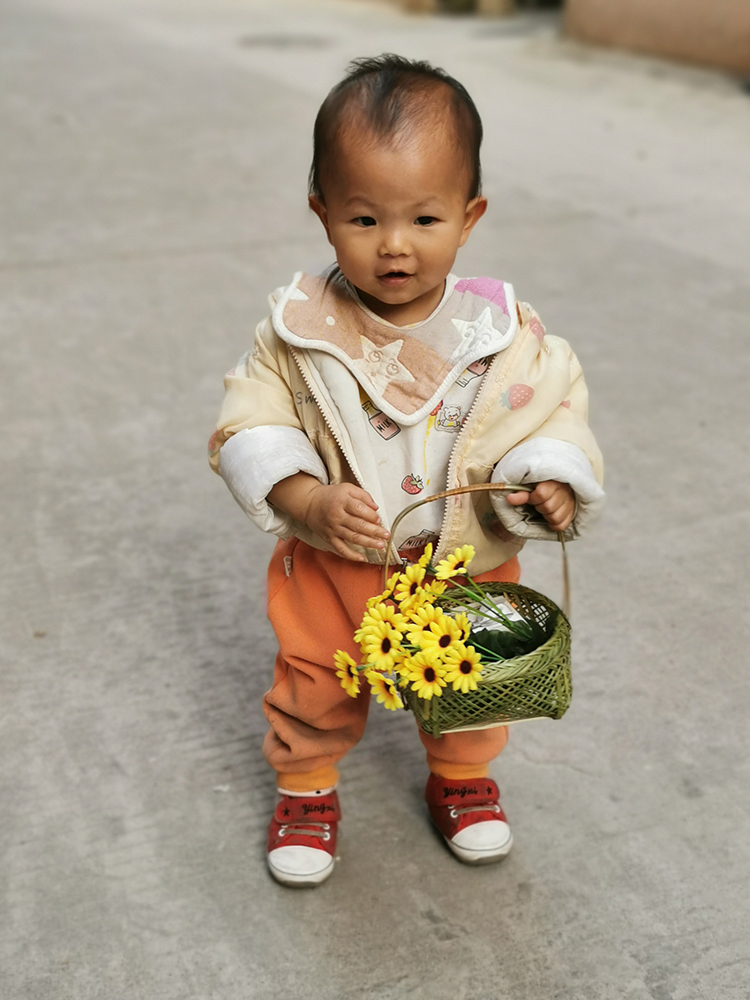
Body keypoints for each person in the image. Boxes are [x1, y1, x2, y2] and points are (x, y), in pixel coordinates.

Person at [209, 54, 604, 887]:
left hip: (463, 564)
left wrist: (550, 477)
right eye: (363, 219)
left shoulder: (501, 333)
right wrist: (303, 498)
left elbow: (551, 407)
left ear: (470, 215)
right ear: (322, 214)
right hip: (335, 565)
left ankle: (462, 780)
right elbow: (254, 416)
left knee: (474, 685)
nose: (394, 246)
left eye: (425, 219)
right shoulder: (300, 330)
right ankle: (307, 783)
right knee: (315, 677)